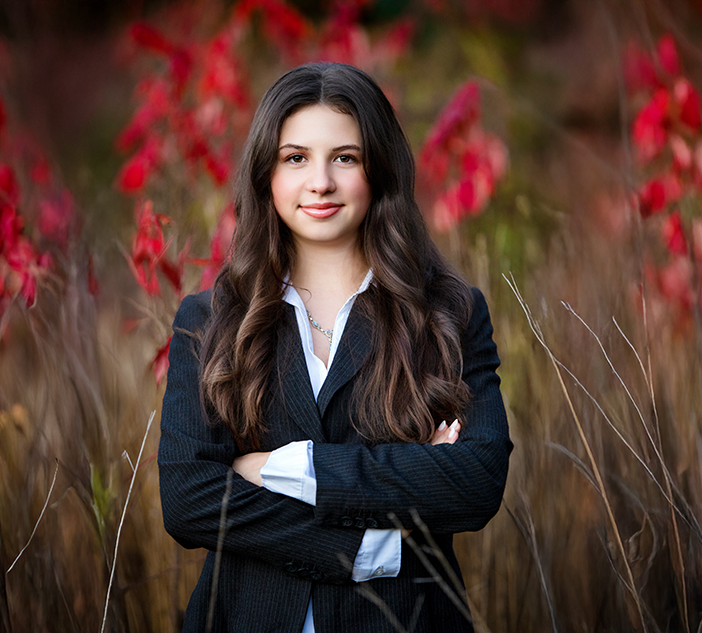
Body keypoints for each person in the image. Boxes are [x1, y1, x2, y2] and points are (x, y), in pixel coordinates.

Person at [157, 61, 512, 633]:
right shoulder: (209, 321)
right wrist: (363, 547)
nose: (319, 181)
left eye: (344, 157)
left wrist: (290, 467)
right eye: (295, 158)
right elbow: (189, 499)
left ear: (378, 169)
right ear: (266, 174)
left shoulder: (448, 314)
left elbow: (475, 483)